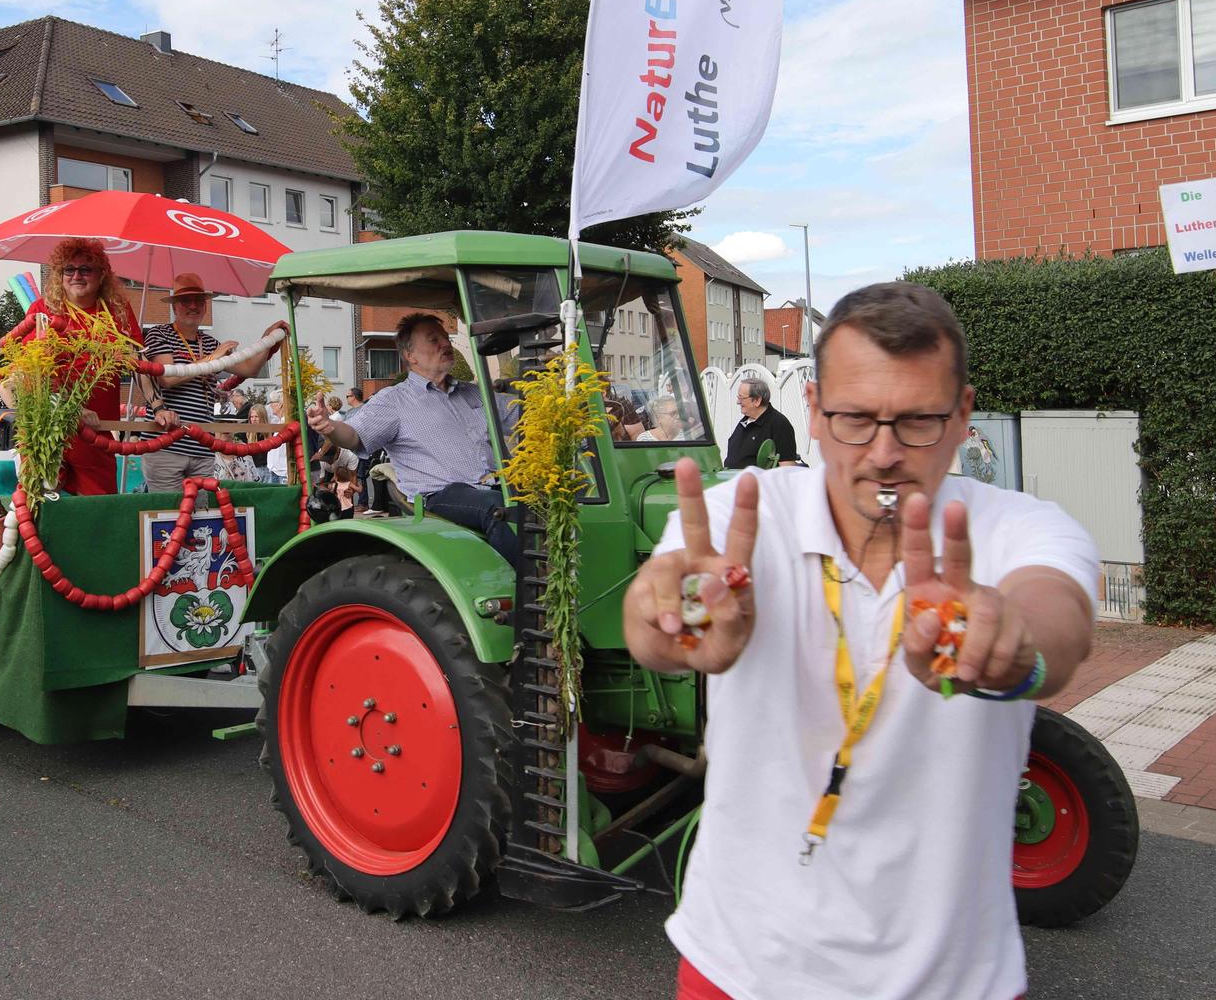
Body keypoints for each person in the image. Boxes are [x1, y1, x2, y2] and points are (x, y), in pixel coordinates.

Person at [623, 282, 1098, 1000]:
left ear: (963, 414)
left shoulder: (1017, 529)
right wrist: (673, 622)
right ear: (814, 412)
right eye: (855, 418)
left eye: (917, 422)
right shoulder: (740, 516)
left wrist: (1008, 645)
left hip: (953, 980)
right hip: (741, 967)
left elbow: (1058, 623)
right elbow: (652, 614)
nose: (883, 453)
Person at [308, 312, 521, 565]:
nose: (445, 344)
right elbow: (354, 436)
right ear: (410, 356)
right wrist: (329, 427)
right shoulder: (394, 400)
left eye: (445, 338)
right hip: (442, 494)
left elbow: (523, 414)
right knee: (497, 508)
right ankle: (534, 590)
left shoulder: (473, 392)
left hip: (500, 485)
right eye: (433, 340)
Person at [19, 237, 146, 496]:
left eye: (85, 269)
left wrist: (158, 405)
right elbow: (31, 370)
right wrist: (71, 407)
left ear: (101, 276)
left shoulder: (117, 312)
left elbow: (138, 362)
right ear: (59, 275)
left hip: (95, 431)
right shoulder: (43, 309)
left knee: (100, 509)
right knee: (37, 507)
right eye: (69, 269)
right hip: (47, 428)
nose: (76, 275)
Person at [140, 272, 275, 493]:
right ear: (175, 306)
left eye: (198, 301)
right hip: (165, 447)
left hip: (202, 448)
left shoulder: (210, 342)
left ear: (205, 306)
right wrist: (213, 358)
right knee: (168, 516)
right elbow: (167, 377)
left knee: (201, 516)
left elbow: (249, 368)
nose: (193, 306)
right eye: (186, 300)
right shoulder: (159, 334)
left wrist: (267, 340)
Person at [724, 375, 799, 469]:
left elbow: (787, 468)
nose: (738, 402)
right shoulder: (744, 421)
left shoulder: (779, 424)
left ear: (757, 400)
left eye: (741, 398)